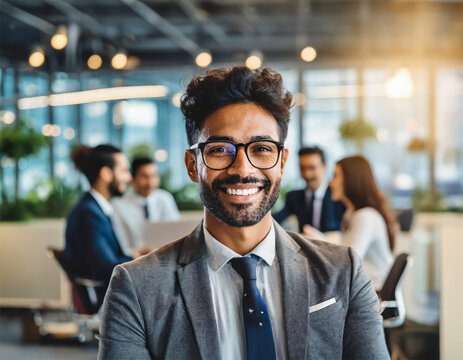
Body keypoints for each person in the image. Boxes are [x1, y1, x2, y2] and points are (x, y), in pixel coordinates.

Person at [98, 66, 389, 359]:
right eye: (219, 150)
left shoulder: (342, 272)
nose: (243, 169)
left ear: (282, 162)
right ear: (191, 164)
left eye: (262, 148)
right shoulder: (135, 288)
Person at [305, 155, 395, 290]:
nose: (330, 182)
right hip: (365, 290)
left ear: (351, 180)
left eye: (336, 176)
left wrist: (316, 242)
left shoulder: (366, 216)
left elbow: (348, 262)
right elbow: (346, 249)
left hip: (373, 295)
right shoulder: (351, 215)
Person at [64, 144, 134, 309]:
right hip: (105, 301)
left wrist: (134, 256)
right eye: (124, 171)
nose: (129, 178)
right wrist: (147, 260)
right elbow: (106, 268)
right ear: (106, 174)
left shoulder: (94, 208)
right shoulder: (89, 214)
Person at [112, 157, 180, 256]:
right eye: (144, 176)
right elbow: (120, 244)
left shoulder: (165, 199)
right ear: (132, 179)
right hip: (133, 261)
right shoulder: (118, 205)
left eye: (154, 176)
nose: (150, 182)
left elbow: (175, 232)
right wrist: (137, 254)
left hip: (165, 256)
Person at [274, 146, 345, 232]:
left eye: (312, 168)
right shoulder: (294, 197)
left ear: (324, 166)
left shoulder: (338, 196)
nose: (307, 174)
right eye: (302, 168)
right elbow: (275, 220)